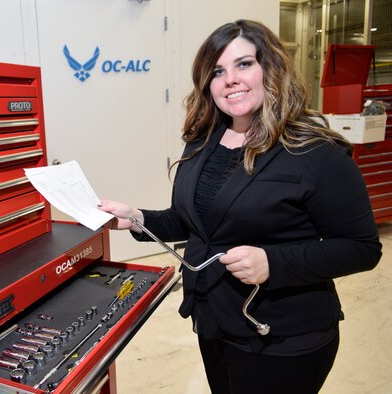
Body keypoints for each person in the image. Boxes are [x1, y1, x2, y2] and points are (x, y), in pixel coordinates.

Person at [99, 19, 382, 393]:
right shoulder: (203, 143)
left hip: (283, 338)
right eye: (217, 71)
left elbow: (362, 248)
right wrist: (137, 218)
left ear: (271, 68)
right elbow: (195, 224)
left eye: (244, 64)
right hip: (215, 323)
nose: (230, 78)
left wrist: (273, 264)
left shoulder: (316, 150)